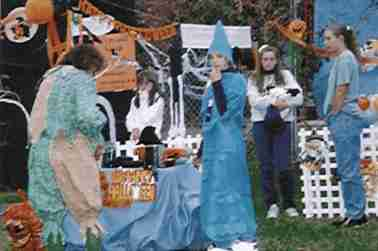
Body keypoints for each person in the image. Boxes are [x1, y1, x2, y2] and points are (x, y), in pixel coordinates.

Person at [28, 44, 107, 244]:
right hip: (70, 149)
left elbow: (35, 120)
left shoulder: (49, 78)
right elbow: (87, 117)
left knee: (50, 217)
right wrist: (99, 129)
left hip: (40, 152)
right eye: (95, 70)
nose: (94, 75)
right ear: (89, 63)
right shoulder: (81, 79)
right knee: (88, 214)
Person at [200, 20, 257, 251]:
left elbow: (226, 113)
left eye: (219, 57)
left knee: (232, 187)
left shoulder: (236, 81)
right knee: (214, 189)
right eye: (212, 57)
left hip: (229, 143)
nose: (215, 61)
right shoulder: (211, 83)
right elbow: (207, 117)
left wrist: (216, 86)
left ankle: (242, 236)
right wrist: (201, 149)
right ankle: (219, 236)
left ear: (228, 59)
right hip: (213, 145)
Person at [248, 45, 303, 219]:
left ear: (276, 60)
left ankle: (289, 203)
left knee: (283, 163)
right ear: (260, 61)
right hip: (261, 124)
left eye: (272, 59)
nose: (268, 62)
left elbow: (299, 97)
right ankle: (271, 203)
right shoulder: (254, 78)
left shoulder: (285, 76)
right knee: (266, 165)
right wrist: (275, 99)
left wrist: (285, 103)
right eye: (265, 59)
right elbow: (254, 102)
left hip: (282, 123)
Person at [323, 24, 368, 226]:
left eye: (328, 38)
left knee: (348, 168)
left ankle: (356, 214)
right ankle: (355, 211)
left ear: (340, 38)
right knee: (346, 167)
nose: (325, 42)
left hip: (344, 118)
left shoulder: (345, 59)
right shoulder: (343, 58)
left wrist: (334, 112)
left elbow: (341, 89)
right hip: (344, 117)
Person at [125, 69, 164, 142]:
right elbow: (130, 117)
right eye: (140, 83)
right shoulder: (135, 100)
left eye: (145, 83)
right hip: (136, 137)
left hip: (153, 136)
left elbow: (148, 118)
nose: (142, 86)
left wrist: (138, 128)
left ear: (152, 84)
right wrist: (133, 128)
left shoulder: (158, 100)